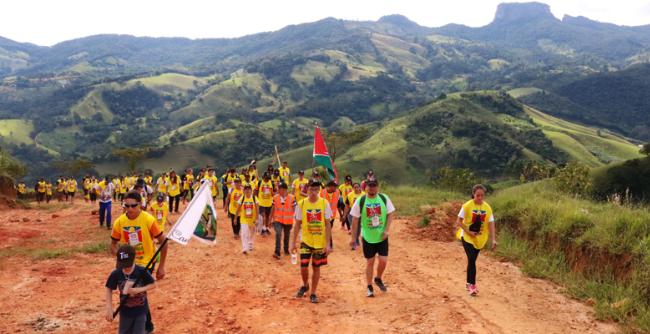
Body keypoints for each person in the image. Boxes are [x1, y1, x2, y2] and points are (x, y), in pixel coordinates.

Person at [110, 190, 167, 333]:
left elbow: (163, 242)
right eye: (126, 205)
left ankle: (142, 327)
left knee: (138, 293)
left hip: (147, 262)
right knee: (138, 294)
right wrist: (122, 258)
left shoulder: (148, 220)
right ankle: (147, 326)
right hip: (129, 265)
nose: (129, 209)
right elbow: (113, 244)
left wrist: (161, 267)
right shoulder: (120, 221)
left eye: (133, 205)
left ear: (140, 204)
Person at [348, 177, 395, 297]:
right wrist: (353, 237)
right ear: (366, 187)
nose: (372, 188)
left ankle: (378, 279)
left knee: (383, 261)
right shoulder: (361, 200)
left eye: (374, 186)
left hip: (382, 236)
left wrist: (387, 230)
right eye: (370, 186)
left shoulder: (384, 198)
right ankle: (369, 287)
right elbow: (355, 219)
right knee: (370, 261)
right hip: (368, 236)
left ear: (378, 187)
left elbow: (390, 214)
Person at [291, 180, 332, 304]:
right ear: (307, 189)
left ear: (319, 190)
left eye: (316, 189)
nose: (313, 192)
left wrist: (328, 243)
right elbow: (297, 224)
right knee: (303, 265)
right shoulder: (301, 204)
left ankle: (313, 293)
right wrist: (293, 242)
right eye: (311, 189)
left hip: (319, 241)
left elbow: (328, 224)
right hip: (306, 240)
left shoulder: (324, 203)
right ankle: (305, 285)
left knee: (316, 267)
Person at [455, 184, 497, 296]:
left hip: (480, 237)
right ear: (473, 194)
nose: (480, 197)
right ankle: (473, 286)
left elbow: (491, 224)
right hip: (467, 236)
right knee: (472, 258)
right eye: (478, 195)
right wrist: (468, 232)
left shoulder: (487, 208)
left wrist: (493, 240)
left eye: (482, 195)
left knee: (472, 260)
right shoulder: (467, 206)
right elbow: (459, 221)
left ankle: (468, 282)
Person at [105, 244, 157, 334]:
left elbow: (153, 284)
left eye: (128, 265)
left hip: (141, 310)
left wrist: (139, 290)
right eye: (123, 264)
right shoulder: (116, 273)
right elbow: (109, 289)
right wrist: (109, 307)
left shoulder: (141, 270)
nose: (125, 267)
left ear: (135, 258)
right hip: (125, 311)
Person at [270, 182, 296, 259]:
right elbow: (273, 208)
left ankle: (286, 249)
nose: (278, 189)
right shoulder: (275, 197)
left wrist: (298, 220)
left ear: (284, 189)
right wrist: (270, 219)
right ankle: (277, 251)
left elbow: (295, 210)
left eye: (280, 188)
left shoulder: (292, 198)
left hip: (288, 220)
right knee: (278, 233)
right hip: (278, 219)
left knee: (287, 235)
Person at [235, 185, 259, 254]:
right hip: (244, 218)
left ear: (251, 190)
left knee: (251, 232)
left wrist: (257, 219)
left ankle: (250, 244)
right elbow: (238, 209)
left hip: (252, 218)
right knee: (244, 233)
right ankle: (245, 248)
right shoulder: (241, 199)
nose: (247, 191)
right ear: (244, 191)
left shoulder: (255, 198)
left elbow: (257, 210)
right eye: (246, 189)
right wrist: (235, 218)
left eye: (249, 189)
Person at [343, 182, 365, 249]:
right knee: (353, 226)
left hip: (361, 213)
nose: (356, 188)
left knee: (359, 227)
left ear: (359, 187)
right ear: (353, 188)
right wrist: (344, 215)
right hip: (352, 212)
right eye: (354, 187)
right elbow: (347, 206)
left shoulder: (363, 195)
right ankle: (353, 242)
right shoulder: (349, 195)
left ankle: (357, 238)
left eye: (357, 187)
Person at [321, 181, 341, 252]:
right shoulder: (321, 192)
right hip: (323, 216)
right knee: (326, 230)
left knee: (328, 230)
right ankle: (329, 245)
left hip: (332, 216)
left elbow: (338, 204)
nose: (336, 187)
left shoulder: (337, 192)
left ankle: (329, 245)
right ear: (330, 186)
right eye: (334, 186)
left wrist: (341, 215)